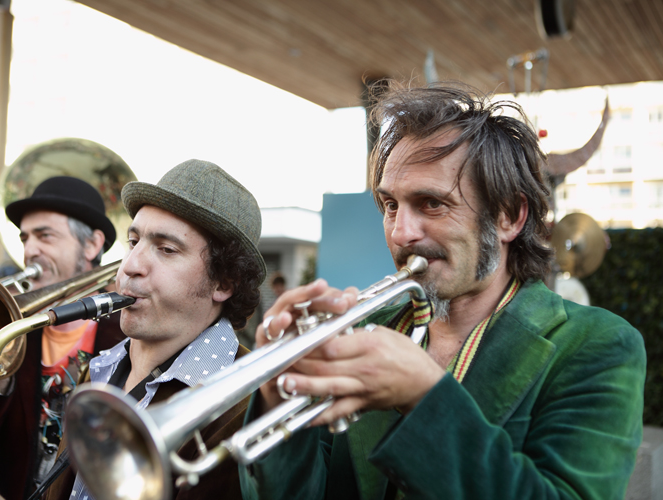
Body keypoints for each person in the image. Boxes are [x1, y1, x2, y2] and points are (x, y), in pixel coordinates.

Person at [239, 83, 646, 500]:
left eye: (431, 203)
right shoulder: (366, 332)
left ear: (508, 216)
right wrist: (276, 398)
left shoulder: (598, 345)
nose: (401, 233)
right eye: (391, 205)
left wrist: (425, 399)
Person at [0, 159, 265, 500]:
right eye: (134, 242)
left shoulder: (250, 410)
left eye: (166, 249)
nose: (129, 266)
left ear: (224, 281)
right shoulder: (102, 368)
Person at [0, 176, 127, 499]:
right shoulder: (15, 331)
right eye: (25, 238)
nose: (29, 250)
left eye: (45, 236)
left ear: (92, 245)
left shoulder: (126, 334)